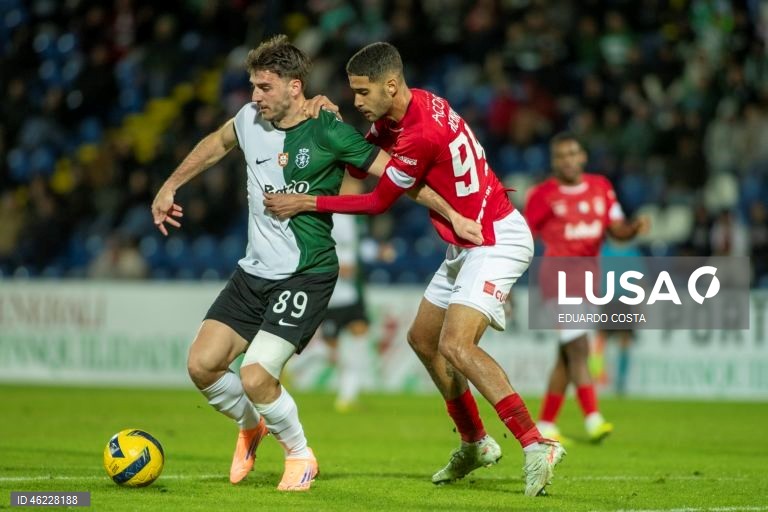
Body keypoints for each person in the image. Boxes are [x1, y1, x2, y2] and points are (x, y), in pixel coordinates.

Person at [150, 35, 479, 491]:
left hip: (307, 272)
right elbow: (216, 143)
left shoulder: (329, 130)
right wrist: (171, 185)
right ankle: (253, 426)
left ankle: (301, 455)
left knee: (256, 374)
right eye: (253, 86)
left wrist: (454, 213)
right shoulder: (248, 120)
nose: (255, 97)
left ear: (294, 86)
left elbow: (399, 176)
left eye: (265, 87)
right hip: (253, 272)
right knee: (202, 366)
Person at [264, 42, 566, 497]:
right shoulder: (412, 106)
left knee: (457, 345)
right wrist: (328, 123)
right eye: (353, 93)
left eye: (363, 93)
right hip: (466, 241)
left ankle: (534, 442)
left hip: (494, 238)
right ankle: (474, 442)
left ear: (390, 85)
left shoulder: (419, 133)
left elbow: (377, 199)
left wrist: (307, 201)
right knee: (422, 338)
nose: (357, 101)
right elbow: (362, 160)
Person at [524, 132, 648, 444]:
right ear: (554, 162)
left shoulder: (601, 188)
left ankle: (546, 423)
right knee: (579, 346)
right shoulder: (543, 195)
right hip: (557, 278)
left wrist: (631, 229)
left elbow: (617, 229)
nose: (567, 159)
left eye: (572, 153)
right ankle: (593, 418)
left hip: (590, 281)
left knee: (567, 354)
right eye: (561, 155)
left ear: (583, 157)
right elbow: (524, 237)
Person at [322, 177, 373, 412]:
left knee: (360, 335)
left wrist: (377, 251)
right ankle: (298, 364)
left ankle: (348, 392)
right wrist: (340, 264)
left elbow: (357, 247)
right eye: (354, 186)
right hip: (332, 293)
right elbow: (325, 246)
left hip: (351, 293)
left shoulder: (354, 216)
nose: (359, 190)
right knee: (331, 349)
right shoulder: (333, 214)